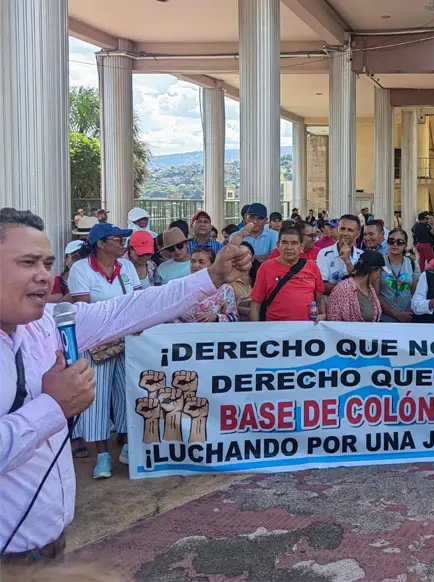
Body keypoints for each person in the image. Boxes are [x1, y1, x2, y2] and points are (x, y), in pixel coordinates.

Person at [0, 208, 251, 561]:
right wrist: (53, 408)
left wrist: (211, 277)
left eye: (47, 263)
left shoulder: (44, 325)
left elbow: (131, 308)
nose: (45, 276)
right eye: (28, 263)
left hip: (50, 542)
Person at [67, 222, 144, 478]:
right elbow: (83, 312)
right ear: (100, 244)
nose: (123, 243)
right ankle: (102, 455)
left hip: (125, 342)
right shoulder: (81, 268)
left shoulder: (127, 267)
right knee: (96, 400)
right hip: (96, 345)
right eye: (117, 239)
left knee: (128, 392)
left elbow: (139, 301)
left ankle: (126, 445)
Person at [250, 225, 325, 322]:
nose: (289, 247)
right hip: (275, 328)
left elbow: (319, 297)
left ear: (301, 246)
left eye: (294, 243)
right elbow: (256, 303)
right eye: (285, 243)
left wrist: (323, 314)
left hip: (308, 328)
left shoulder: (312, 266)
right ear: (278, 245)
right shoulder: (265, 268)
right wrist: (254, 332)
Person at [176, 248, 239, 323]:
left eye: (201, 262)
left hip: (213, 332)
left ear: (212, 265)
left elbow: (234, 318)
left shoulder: (225, 289)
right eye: (193, 261)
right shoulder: (182, 285)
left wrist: (216, 317)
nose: (196, 265)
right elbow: (171, 314)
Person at [326, 250, 385, 323]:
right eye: (380, 271)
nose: (380, 275)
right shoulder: (343, 289)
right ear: (373, 271)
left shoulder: (370, 288)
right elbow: (333, 319)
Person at [379, 228, 420, 323]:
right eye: (391, 241)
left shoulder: (413, 264)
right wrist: (395, 314)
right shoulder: (380, 263)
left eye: (400, 242)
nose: (395, 244)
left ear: (405, 245)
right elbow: (376, 294)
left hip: (407, 317)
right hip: (384, 318)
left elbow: (416, 293)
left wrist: (407, 314)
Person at [317, 214, 363, 292]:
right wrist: (348, 289)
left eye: (350, 230)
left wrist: (347, 261)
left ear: (357, 234)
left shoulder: (362, 255)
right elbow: (322, 285)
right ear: (338, 229)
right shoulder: (324, 254)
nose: (345, 233)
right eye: (342, 229)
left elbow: (360, 286)